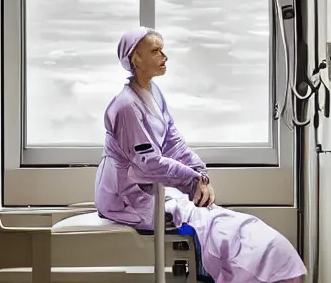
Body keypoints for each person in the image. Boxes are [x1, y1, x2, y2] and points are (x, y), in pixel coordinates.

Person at [95, 27, 307, 283]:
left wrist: (201, 175)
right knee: (212, 228)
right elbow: (148, 165)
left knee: (229, 224)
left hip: (150, 190)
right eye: (155, 51)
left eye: (162, 49)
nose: (164, 56)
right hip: (127, 198)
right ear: (135, 59)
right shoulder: (127, 107)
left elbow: (173, 141)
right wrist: (191, 181)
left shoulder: (154, 94)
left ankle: (268, 258)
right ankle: (263, 267)